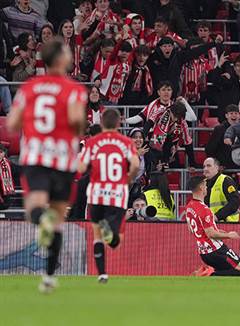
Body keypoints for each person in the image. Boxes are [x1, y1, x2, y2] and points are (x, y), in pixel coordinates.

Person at [7, 38, 88, 293]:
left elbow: (12, 123)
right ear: (62, 59)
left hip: (36, 159)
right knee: (56, 219)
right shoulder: (73, 89)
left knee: (36, 211)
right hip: (63, 160)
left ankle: (41, 222)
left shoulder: (30, 87)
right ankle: (50, 278)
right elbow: (76, 121)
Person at [78, 108, 140, 284]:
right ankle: (109, 233)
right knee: (115, 242)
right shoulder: (126, 142)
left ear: (102, 123)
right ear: (119, 123)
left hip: (96, 195)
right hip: (117, 194)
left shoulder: (92, 142)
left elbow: (81, 168)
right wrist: (127, 178)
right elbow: (135, 165)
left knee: (97, 235)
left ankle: (102, 274)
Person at [185, 175, 240, 277]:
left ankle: (209, 274)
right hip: (216, 250)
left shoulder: (189, 206)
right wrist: (229, 235)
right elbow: (210, 233)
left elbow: (192, 229)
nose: (207, 188)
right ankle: (208, 274)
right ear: (202, 188)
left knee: (229, 275)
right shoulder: (204, 209)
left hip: (204, 253)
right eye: (206, 185)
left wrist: (217, 230)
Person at [207, 53, 240, 120]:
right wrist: (219, 65)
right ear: (234, 68)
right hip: (231, 120)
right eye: (239, 66)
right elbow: (214, 79)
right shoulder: (229, 79)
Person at [203, 157, 240, 223]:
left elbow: (234, 203)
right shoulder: (203, 183)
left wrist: (217, 216)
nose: (205, 169)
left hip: (227, 223)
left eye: (209, 166)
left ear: (217, 167)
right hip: (211, 224)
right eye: (204, 166)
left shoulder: (225, 180)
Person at [205, 104, 240, 169]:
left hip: (237, 166)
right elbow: (209, 149)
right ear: (226, 115)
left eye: (236, 113)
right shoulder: (219, 129)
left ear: (239, 115)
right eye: (231, 113)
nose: (234, 115)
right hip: (223, 167)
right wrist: (217, 164)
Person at [0, 143, 15, 210]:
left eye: (1, 152)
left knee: (6, 204)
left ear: (4, 153)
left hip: (4, 194)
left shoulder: (8, 163)